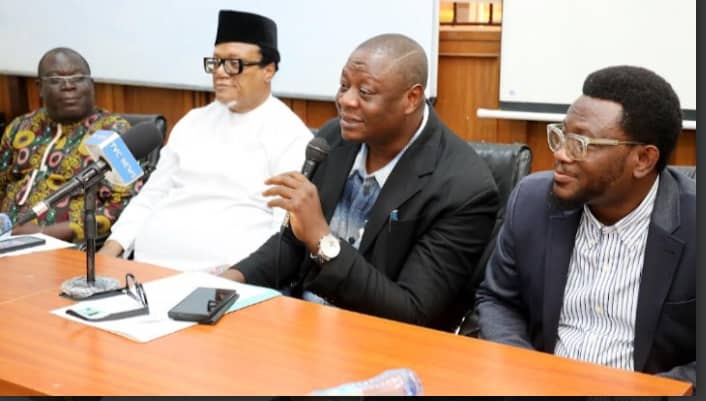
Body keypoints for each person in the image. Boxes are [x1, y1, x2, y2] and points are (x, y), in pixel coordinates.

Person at [222, 33, 499, 331]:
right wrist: (227, 282)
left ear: (411, 99)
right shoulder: (333, 139)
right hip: (303, 323)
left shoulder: (464, 188)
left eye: (365, 92)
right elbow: (292, 245)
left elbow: (413, 312)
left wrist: (323, 241)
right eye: (344, 86)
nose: (346, 100)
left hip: (380, 341)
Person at [475, 66, 695, 387]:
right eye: (562, 136)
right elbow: (498, 301)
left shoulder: (692, 224)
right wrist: (524, 375)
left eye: (581, 143)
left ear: (643, 160)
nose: (561, 154)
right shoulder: (532, 202)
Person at [99, 10, 311, 272]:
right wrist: (110, 250)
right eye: (216, 62)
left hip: (223, 281)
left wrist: (237, 277)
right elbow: (152, 195)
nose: (220, 72)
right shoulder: (193, 121)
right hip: (143, 271)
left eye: (233, 64)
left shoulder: (289, 135)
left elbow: (282, 231)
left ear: (268, 70)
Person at [0, 47, 134, 242]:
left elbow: (124, 204)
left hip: (65, 246)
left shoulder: (113, 132)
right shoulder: (20, 127)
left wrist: (46, 233)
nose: (69, 86)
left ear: (91, 84)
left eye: (78, 78)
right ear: (40, 87)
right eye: (56, 80)